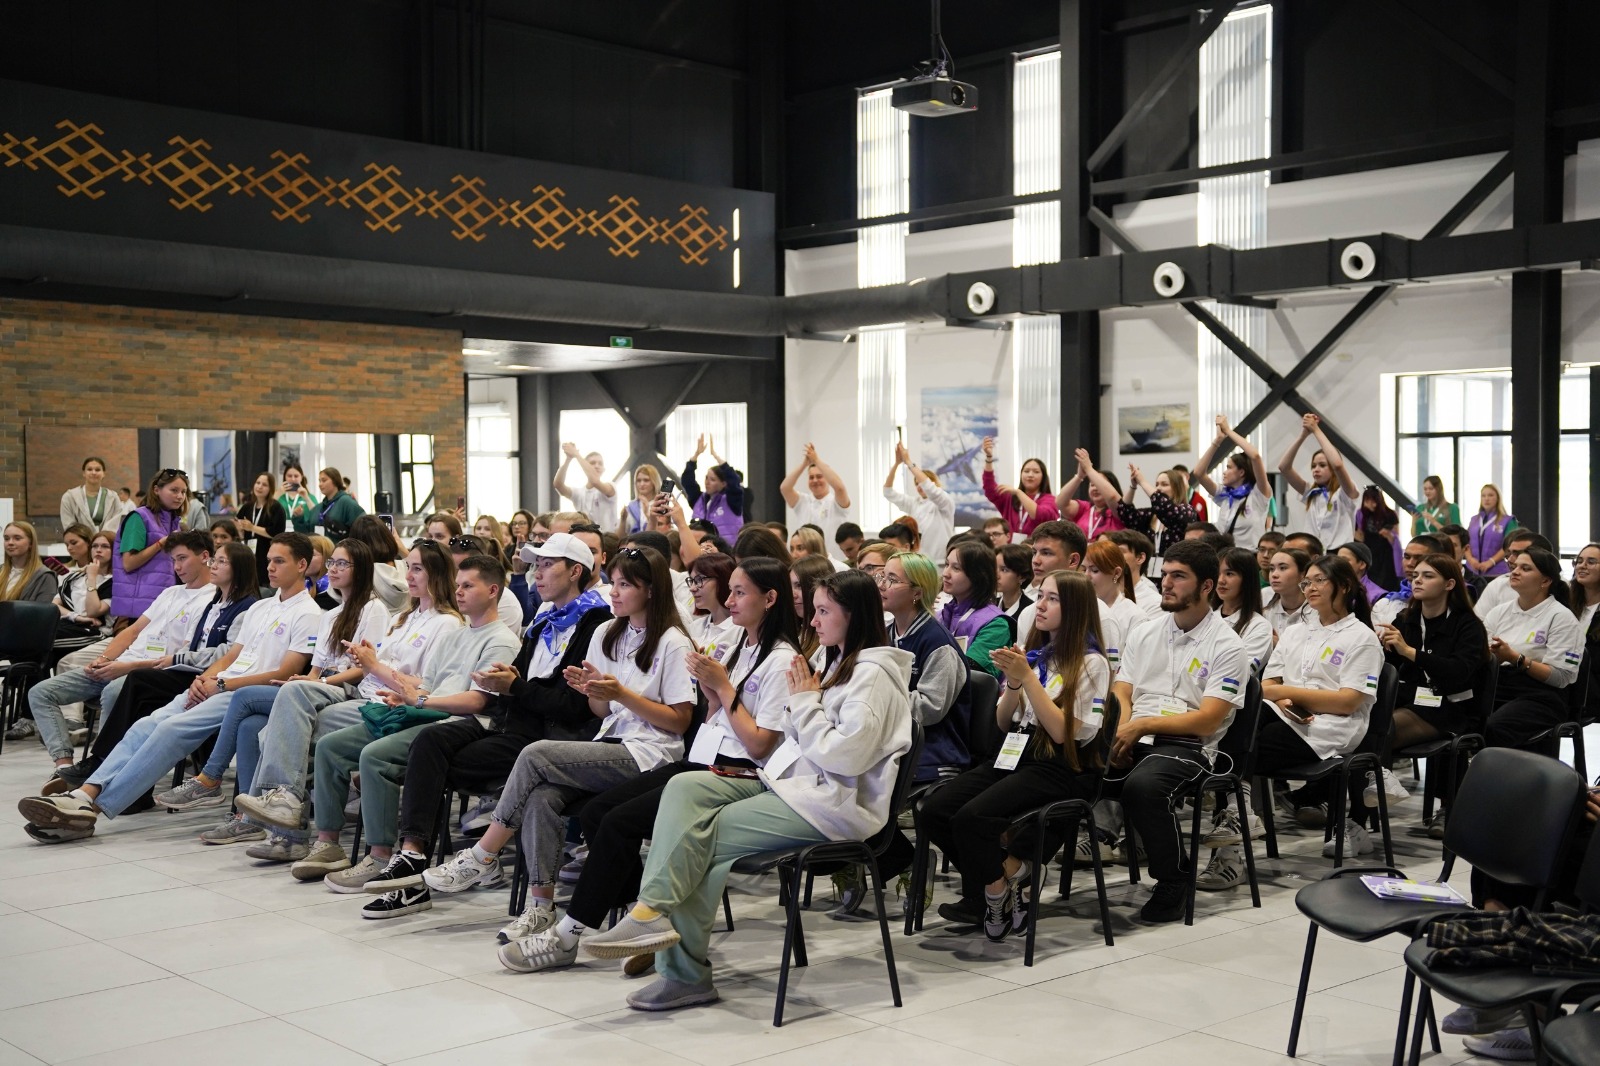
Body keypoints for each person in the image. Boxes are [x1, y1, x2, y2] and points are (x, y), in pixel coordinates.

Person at [577, 568, 913, 1012]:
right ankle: (655, 920)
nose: (813, 621)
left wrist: (803, 703)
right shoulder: (836, 661)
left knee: (702, 836)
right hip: (794, 785)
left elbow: (844, 757)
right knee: (685, 787)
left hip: (835, 805)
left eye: (824, 612)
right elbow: (796, 735)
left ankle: (673, 953)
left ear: (855, 615)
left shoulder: (873, 677)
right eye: (814, 610)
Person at [497, 556, 797, 973]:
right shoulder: (737, 646)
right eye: (730, 591)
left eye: (739, 592)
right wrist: (713, 692)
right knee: (597, 813)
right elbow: (714, 718)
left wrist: (721, 688)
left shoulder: (781, 659)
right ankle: (642, 916)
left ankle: (568, 933)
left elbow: (760, 745)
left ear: (770, 598)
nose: (728, 600)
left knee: (610, 816)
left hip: (736, 772)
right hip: (702, 760)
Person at [419, 546, 694, 928]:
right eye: (613, 582)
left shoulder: (673, 642)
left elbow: (679, 722)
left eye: (625, 585)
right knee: (541, 798)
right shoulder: (607, 633)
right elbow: (602, 712)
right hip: (609, 743)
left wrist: (620, 694)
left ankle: (483, 854)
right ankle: (541, 908)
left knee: (536, 754)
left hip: (651, 753)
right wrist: (594, 692)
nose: (613, 592)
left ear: (651, 590)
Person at [18, 533, 324, 842]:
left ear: (301, 565)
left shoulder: (309, 613)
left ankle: (91, 809)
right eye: (269, 560)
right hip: (219, 683)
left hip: (244, 691)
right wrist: (204, 679)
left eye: (279, 561)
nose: (270, 567)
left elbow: (286, 671)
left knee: (169, 730)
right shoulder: (262, 608)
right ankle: (84, 794)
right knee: (144, 726)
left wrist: (222, 683)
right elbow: (232, 655)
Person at [375, 533, 611, 902]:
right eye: (536, 565)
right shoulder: (544, 618)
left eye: (548, 565)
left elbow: (573, 706)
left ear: (575, 571)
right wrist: (504, 681)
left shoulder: (594, 623)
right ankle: (413, 854)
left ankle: (451, 864)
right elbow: (518, 679)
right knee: (431, 742)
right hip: (514, 724)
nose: (537, 573)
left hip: (551, 736)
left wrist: (513, 687)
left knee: (431, 765)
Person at [308, 554, 521, 917]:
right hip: (427, 712)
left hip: (458, 723)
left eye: (468, 586)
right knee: (331, 746)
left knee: (375, 757)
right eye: (458, 585)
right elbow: (427, 683)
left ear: (493, 590)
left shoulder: (501, 640)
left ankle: (380, 855)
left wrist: (419, 699)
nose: (460, 592)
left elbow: (478, 701)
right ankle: (328, 842)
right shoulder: (457, 635)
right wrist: (405, 692)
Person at [154, 540, 392, 849]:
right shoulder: (331, 615)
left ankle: (211, 777)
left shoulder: (373, 609)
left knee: (244, 697)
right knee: (250, 724)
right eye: (331, 563)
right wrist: (306, 680)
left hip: (348, 691)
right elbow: (315, 670)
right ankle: (252, 821)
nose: (333, 569)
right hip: (321, 688)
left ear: (361, 569)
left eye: (342, 564)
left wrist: (316, 682)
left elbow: (365, 669)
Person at [231, 541, 464, 856]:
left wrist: (371, 666)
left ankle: (290, 830)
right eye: (408, 567)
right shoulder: (405, 618)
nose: (408, 575)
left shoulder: (446, 623)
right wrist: (366, 662)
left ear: (438, 573)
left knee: (282, 727)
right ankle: (287, 822)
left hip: (390, 706)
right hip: (367, 697)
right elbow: (373, 667)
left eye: (418, 569)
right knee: (275, 727)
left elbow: (426, 687)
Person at [921, 569, 1109, 938]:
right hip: (1016, 751)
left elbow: (1062, 733)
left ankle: (993, 893)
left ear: (1075, 608)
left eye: (1053, 599)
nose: (1041, 605)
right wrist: (1014, 683)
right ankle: (1008, 876)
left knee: (973, 818)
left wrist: (1029, 679)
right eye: (1041, 596)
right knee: (935, 811)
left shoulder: (1091, 663)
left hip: (1059, 766)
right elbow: (1003, 721)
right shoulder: (1037, 655)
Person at [1103, 540, 1252, 923]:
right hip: (1136, 733)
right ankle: (1022, 870)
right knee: (1070, 769)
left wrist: (1141, 725)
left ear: (1206, 586)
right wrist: (1123, 729)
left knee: (1143, 787)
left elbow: (1207, 720)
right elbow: (1122, 690)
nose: (1166, 583)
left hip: (1190, 746)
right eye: (1165, 574)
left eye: (1179, 576)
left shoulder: (1228, 645)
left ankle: (1174, 878)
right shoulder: (1146, 632)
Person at [48, 541, 260, 788]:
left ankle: (102, 763)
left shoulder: (247, 607)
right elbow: (190, 644)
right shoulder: (214, 602)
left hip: (208, 677)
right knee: (139, 694)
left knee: (137, 681)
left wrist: (176, 659)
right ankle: (117, 777)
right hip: (187, 669)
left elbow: (227, 654)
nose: (213, 565)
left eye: (221, 561)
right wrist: (171, 659)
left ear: (239, 568)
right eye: (214, 560)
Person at [26, 532, 214, 776]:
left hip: (152, 673)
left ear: (205, 556)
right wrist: (104, 659)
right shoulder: (170, 593)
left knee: (113, 691)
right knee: (40, 693)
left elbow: (180, 656)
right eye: (173, 560)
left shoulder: (211, 599)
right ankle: (64, 766)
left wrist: (124, 667)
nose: (177, 567)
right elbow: (132, 631)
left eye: (182, 558)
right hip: (120, 664)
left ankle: (102, 767)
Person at [1258, 555, 1385, 856]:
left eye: (1319, 580)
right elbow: (1266, 684)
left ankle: (1237, 807)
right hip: (1288, 714)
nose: (1310, 588)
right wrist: (1285, 700)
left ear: (1344, 585)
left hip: (1332, 726)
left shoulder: (1362, 638)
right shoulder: (1296, 630)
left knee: (1250, 744)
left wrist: (1286, 693)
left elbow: (1347, 702)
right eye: (1306, 582)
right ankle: (1238, 810)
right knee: (1242, 721)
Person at [1375, 553, 1488, 803]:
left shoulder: (1468, 625)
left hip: (1452, 706)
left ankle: (1373, 795)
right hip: (1413, 700)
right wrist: (1381, 649)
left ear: (1449, 584)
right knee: (1358, 720)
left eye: (1428, 576)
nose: (1417, 580)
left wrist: (1409, 652)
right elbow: (1389, 667)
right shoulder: (1406, 619)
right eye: (1415, 575)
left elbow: (1459, 671)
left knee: (1380, 728)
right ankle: (1360, 794)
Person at [1481, 548, 1584, 759]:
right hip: (1497, 686)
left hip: (1541, 696)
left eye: (1525, 568)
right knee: (1450, 719)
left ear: (1545, 581)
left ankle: (1497, 778)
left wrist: (1515, 658)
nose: (1515, 571)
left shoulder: (1561, 617)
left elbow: (1561, 677)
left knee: (1492, 727)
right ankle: (1455, 781)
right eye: (1515, 566)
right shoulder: (1499, 612)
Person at [112, 468, 189, 623]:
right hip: (142, 608)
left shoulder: (174, 522)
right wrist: (161, 543)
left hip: (164, 603)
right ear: (156, 490)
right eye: (174, 490)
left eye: (183, 492)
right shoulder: (138, 518)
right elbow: (128, 563)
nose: (180, 496)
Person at [1279, 413, 1360, 550]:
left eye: (1322, 465)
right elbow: (1283, 467)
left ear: (1332, 469)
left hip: (1338, 553)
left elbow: (1337, 465)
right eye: (1313, 466)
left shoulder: (1345, 493)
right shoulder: (1311, 492)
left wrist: (1316, 430)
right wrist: (1303, 435)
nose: (1316, 469)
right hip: (1312, 552)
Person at [1193, 415, 1273, 549]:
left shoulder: (1258, 494)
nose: (1224, 472)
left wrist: (1228, 431)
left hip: (1249, 556)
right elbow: (1198, 473)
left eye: (1229, 467)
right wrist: (1217, 441)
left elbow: (1255, 456)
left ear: (1241, 472)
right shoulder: (1225, 494)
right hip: (1226, 556)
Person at [939, 539, 1009, 675]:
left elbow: (971, 674)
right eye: (947, 564)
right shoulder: (943, 614)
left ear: (978, 575)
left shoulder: (996, 624)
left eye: (956, 568)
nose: (945, 573)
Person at [1013, 520, 1090, 642]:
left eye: (1046, 553)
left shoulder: (1099, 616)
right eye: (1034, 553)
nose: (1035, 560)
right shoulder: (1028, 614)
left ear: (1073, 561)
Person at [883, 441, 955, 564]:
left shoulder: (944, 502)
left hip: (941, 562)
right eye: (916, 484)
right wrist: (896, 464)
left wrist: (908, 462)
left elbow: (929, 488)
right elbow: (888, 492)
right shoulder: (914, 503)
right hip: (919, 562)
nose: (919, 486)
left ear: (934, 483)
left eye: (920, 482)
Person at [1084, 539, 1146, 674]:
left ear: (1116, 573)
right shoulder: (1078, 607)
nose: (1086, 576)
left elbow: (1133, 668)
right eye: (1084, 569)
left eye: (1094, 570)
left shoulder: (1136, 617)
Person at [51, 529, 114, 660]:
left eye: (105, 546)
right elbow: (54, 605)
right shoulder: (75, 577)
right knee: (34, 633)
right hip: (72, 624)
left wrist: (92, 577)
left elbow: (93, 611)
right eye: (95, 546)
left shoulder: (114, 581)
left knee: (40, 640)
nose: (98, 550)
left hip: (96, 632)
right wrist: (77, 617)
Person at [1114, 463, 1197, 558]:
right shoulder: (1152, 514)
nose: (1158, 488)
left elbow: (1164, 506)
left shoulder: (1187, 511)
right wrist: (1133, 486)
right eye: (1156, 485)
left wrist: (1142, 481)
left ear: (1177, 488)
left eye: (1164, 484)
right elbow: (1125, 512)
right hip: (1151, 566)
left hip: (1176, 565)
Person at [1212, 547, 1273, 675]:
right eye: (1217, 573)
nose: (1221, 580)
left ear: (1247, 579)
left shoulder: (1259, 626)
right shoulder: (1204, 618)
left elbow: (1241, 672)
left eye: (1229, 574)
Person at [981, 436, 1056, 536]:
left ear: (1043, 477)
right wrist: (989, 457)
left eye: (1036, 472)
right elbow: (989, 488)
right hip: (1010, 545)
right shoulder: (1010, 498)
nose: (1030, 475)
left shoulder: (1049, 500)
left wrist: (1019, 492)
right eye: (1026, 471)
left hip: (1036, 545)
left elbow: (1039, 515)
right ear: (1021, 474)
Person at [448, 534, 523, 633]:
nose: (457, 574)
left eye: (462, 568)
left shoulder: (505, 601)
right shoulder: (460, 592)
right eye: (453, 569)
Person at [1371, 533, 1446, 627]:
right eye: (1406, 557)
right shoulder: (1385, 604)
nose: (1410, 563)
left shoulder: (1448, 605)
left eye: (1418, 558)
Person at [1473, 528, 1548, 620]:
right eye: (1507, 556)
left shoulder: (1558, 590)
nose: (1510, 560)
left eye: (1518, 554)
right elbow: (1478, 622)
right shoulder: (1497, 586)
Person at [682, 435, 745, 543]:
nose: (707, 482)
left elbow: (734, 482)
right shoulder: (699, 500)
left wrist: (716, 456)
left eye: (712, 479)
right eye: (706, 478)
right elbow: (687, 481)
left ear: (723, 483)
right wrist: (695, 456)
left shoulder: (732, 501)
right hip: (702, 548)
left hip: (727, 549)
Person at [235, 471, 288, 589]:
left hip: (266, 555)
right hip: (248, 553)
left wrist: (252, 527)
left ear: (271, 488)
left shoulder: (276, 508)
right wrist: (239, 528)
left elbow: (276, 533)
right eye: (258, 483)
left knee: (264, 588)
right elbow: (237, 525)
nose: (259, 487)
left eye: (264, 485)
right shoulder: (247, 507)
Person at [1057, 449, 1126, 540]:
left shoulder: (1119, 510)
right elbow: (1060, 502)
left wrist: (1089, 469)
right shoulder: (1085, 508)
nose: (1095, 488)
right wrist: (1079, 476)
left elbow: (1112, 497)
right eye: (1092, 485)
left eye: (1098, 485)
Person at [553, 443, 619, 531]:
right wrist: (568, 459)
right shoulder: (578, 493)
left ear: (604, 469)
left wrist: (576, 454)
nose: (597, 466)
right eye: (592, 463)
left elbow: (595, 481)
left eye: (600, 463)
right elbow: (558, 485)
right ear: (584, 467)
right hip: (584, 536)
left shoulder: (611, 486)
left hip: (607, 537)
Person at [1465, 483, 1517, 583]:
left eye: (1490, 495)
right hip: (1472, 571)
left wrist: (1491, 562)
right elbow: (1465, 543)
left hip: (1497, 571)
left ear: (1498, 498)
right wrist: (1470, 560)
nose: (1486, 499)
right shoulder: (1474, 520)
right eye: (1483, 496)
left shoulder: (1508, 520)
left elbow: (1510, 545)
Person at [1105, 528, 1163, 616]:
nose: (1111, 557)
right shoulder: (1101, 593)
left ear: (1140, 558)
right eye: (1110, 552)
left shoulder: (1155, 603)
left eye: (1120, 551)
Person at [59, 456, 122, 533]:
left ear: (103, 474)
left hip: (106, 539)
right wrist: (84, 537)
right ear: (84, 473)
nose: (93, 472)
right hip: (80, 539)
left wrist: (102, 537)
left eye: (97, 470)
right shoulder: (69, 497)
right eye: (89, 469)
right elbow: (69, 524)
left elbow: (115, 523)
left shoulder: (113, 497)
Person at [1356, 487, 1402, 592]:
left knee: (1386, 581)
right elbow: (1360, 535)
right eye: (1367, 500)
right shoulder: (1361, 514)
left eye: (1374, 501)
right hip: (1369, 552)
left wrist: (1388, 535)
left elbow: (1396, 539)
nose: (1371, 504)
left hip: (1386, 553)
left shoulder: (1390, 514)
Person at [0, 521, 57, 605]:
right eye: (6, 538)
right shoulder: (1, 570)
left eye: (17, 538)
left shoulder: (45, 577)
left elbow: (43, 611)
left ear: (31, 543)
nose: (10, 542)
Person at [1264, 547, 1315, 641]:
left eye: (1282, 568)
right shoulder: (1266, 614)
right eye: (1271, 569)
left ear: (1303, 575)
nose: (1274, 574)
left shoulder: (1318, 613)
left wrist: (1278, 644)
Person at [791, 553, 835, 660]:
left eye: (799, 586)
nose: (792, 594)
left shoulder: (830, 640)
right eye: (789, 586)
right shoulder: (798, 629)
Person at [315, 468, 365, 540]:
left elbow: (362, 527)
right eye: (319, 481)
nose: (320, 484)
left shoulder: (347, 502)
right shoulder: (322, 506)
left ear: (335, 481)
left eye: (324, 480)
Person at [1337, 541, 1386, 606]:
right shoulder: (1332, 588)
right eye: (1337, 560)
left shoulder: (1377, 596)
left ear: (1362, 564)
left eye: (1344, 560)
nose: (1338, 564)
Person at [996, 543, 1034, 627]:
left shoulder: (1030, 610)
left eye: (1004, 570)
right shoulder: (990, 605)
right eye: (994, 568)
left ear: (1022, 577)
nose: (996, 575)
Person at [619, 464, 663, 537]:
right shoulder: (631, 507)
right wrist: (622, 520)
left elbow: (664, 533)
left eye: (646, 480)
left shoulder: (661, 506)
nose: (642, 484)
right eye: (638, 481)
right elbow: (619, 537)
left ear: (654, 482)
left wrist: (648, 515)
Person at [277, 462, 319, 535]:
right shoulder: (279, 496)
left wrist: (306, 498)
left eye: (296, 476)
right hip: (281, 534)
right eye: (289, 476)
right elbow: (268, 512)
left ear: (301, 477)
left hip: (303, 534)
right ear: (284, 477)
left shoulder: (310, 497)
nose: (293, 479)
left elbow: (316, 516)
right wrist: (277, 494)